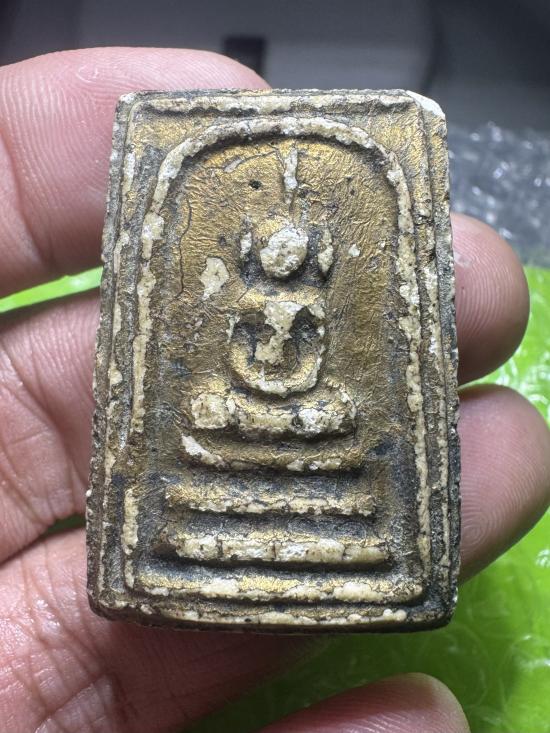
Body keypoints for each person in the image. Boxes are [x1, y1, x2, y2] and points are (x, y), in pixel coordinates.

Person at [0, 47, 548, 733]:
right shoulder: (249, 303)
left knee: (336, 413)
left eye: (294, 257)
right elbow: (241, 360)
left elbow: (311, 365)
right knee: (207, 411)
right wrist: (255, 388)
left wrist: (295, 392)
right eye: (272, 257)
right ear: (255, 259)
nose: (283, 269)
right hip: (245, 406)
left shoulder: (311, 304)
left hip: (305, 409)